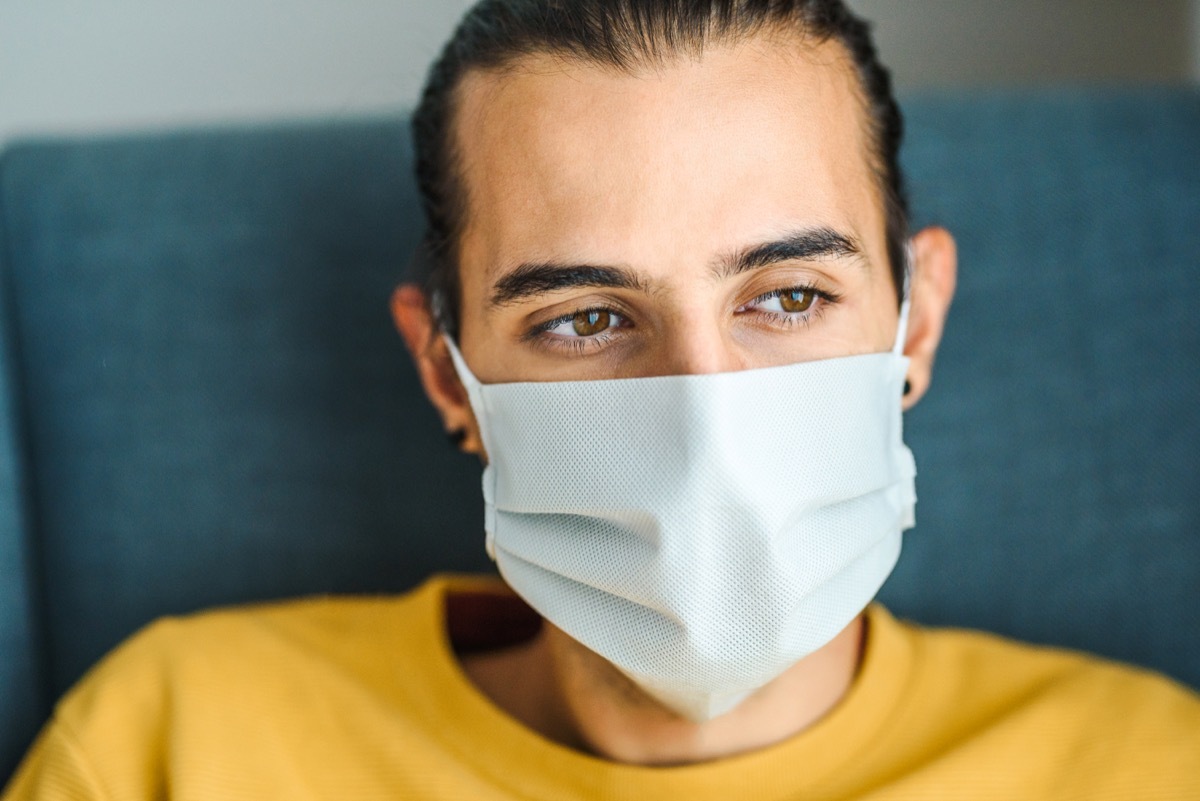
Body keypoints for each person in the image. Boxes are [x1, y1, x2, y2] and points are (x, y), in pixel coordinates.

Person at [5, 0, 1199, 798]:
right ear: (447, 374)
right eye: (585, 318)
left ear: (915, 322)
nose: (703, 414)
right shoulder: (175, 747)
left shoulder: (1148, 767)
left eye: (787, 297)